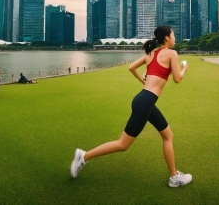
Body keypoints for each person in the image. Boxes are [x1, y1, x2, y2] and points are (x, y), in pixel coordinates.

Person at [70, 25, 192, 188]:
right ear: (167, 38)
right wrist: (184, 69)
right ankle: (83, 157)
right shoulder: (171, 54)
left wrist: (143, 81)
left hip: (144, 100)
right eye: (174, 35)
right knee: (123, 144)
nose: (175, 38)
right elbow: (177, 79)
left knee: (168, 135)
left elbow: (131, 67)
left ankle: (174, 177)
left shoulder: (151, 53)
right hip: (146, 102)